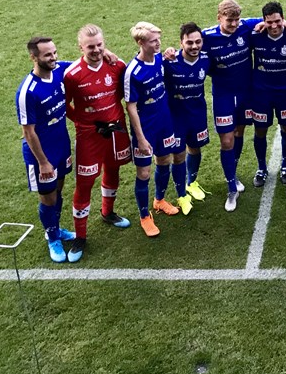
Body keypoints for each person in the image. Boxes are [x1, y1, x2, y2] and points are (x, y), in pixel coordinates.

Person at [64, 25, 133, 259]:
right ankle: (80, 237)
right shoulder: (72, 75)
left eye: (100, 45)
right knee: (85, 183)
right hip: (89, 136)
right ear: (80, 47)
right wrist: (82, 120)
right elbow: (65, 105)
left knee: (113, 170)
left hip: (116, 131)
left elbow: (123, 93)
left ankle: (108, 212)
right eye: (90, 46)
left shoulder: (117, 65)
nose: (96, 50)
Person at [125, 22, 189, 237]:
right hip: (146, 129)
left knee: (164, 160)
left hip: (165, 122)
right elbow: (130, 107)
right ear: (140, 42)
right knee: (143, 172)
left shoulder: (159, 59)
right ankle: (145, 216)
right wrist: (141, 138)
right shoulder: (133, 72)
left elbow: (169, 55)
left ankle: (159, 200)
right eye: (153, 41)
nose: (158, 43)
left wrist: (169, 51)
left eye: (159, 39)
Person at [17, 37, 77, 263]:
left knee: (58, 190)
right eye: (47, 55)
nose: (54, 58)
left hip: (61, 145)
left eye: (54, 52)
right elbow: (28, 132)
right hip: (41, 154)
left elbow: (84, 63)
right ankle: (52, 238)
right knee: (48, 197)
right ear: (33, 57)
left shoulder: (59, 70)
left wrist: (107, 53)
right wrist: (43, 162)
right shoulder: (28, 92)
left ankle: (56, 228)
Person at [202, 0, 262, 212]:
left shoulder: (246, 26)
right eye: (229, 20)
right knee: (226, 141)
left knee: (239, 133)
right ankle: (231, 189)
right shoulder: (206, 36)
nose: (234, 24)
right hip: (223, 96)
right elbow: (187, 45)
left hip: (245, 93)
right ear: (219, 18)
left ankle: (233, 174)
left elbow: (271, 19)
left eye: (237, 20)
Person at [248, 2, 286, 188]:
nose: (274, 26)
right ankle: (261, 168)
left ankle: (285, 166)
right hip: (261, 94)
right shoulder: (255, 35)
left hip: (285, 93)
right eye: (269, 22)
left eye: (278, 21)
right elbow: (239, 23)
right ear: (263, 21)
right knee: (260, 130)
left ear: (283, 19)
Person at [163, 22, 211, 203]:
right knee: (178, 155)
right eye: (189, 42)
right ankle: (181, 193)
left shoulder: (206, 58)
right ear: (181, 43)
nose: (194, 46)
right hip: (176, 117)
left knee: (195, 148)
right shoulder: (169, 61)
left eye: (198, 42)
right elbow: (147, 63)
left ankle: (192, 182)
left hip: (197, 113)